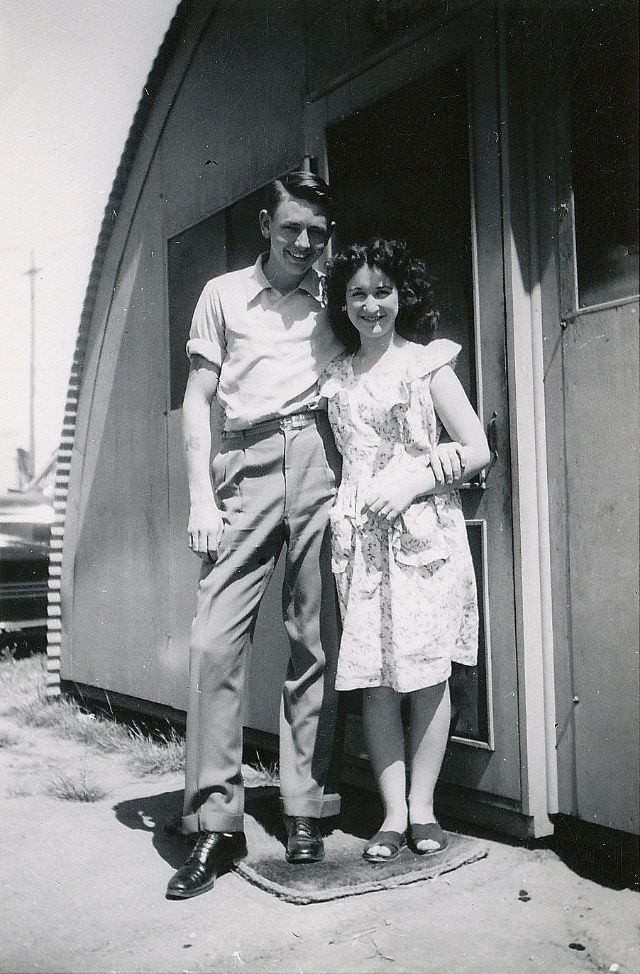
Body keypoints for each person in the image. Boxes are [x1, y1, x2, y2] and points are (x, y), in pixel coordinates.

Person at [166, 172, 344, 900]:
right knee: (213, 641)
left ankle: (305, 805)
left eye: (317, 233)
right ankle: (217, 821)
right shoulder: (222, 294)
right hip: (244, 462)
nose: (303, 243)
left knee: (313, 637)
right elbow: (198, 399)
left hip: (320, 458)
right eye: (291, 228)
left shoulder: (333, 298)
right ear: (267, 225)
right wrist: (200, 496)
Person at [319, 237, 490, 863]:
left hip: (425, 534)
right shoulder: (335, 378)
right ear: (343, 302)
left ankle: (425, 810)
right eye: (358, 294)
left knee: (426, 672)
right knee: (376, 680)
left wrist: (418, 477)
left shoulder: (427, 365)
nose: (371, 306)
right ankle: (391, 814)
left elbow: (476, 448)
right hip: (362, 540)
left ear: (401, 295)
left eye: (382, 291)